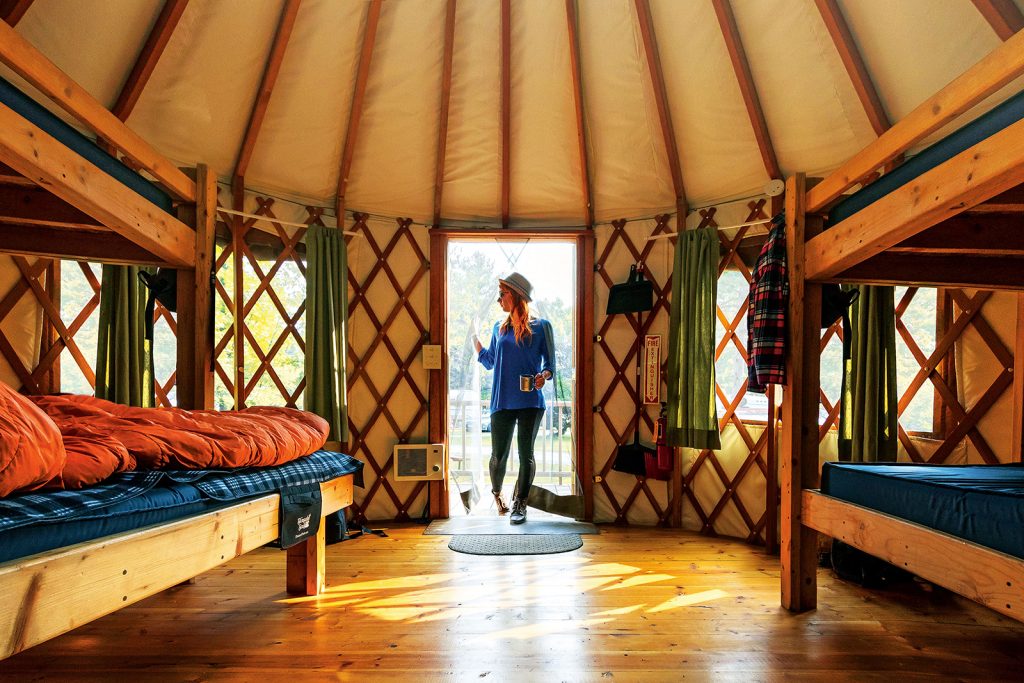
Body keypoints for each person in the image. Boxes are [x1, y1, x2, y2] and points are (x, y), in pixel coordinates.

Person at [473, 272, 555, 525]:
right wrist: (474, 339)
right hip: (501, 400)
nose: (499, 300)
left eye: (502, 294)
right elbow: (490, 361)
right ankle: (497, 494)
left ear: (516, 296)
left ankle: (521, 502)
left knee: (526, 454)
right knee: (498, 455)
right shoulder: (499, 328)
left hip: (530, 401)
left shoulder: (542, 327)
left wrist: (543, 376)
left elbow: (550, 365)